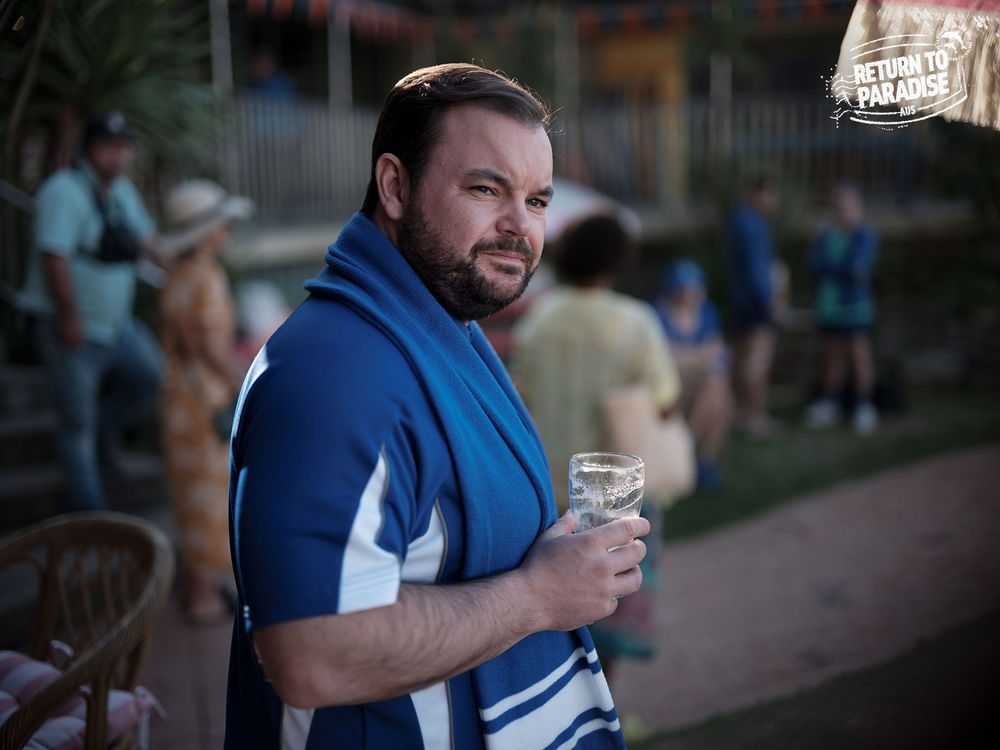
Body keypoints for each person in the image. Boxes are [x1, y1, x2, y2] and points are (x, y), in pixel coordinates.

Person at [225, 64, 649, 750]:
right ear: (395, 186)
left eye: (537, 200)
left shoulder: (442, 329)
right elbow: (310, 652)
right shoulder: (333, 372)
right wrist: (537, 597)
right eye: (486, 189)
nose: (520, 226)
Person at [509, 213, 680, 686]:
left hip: (548, 487)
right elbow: (664, 399)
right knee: (612, 604)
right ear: (619, 259)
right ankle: (606, 709)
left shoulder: (539, 318)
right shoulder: (635, 321)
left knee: (551, 609)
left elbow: (517, 398)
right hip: (617, 493)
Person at [17, 111, 163, 511]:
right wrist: (69, 316)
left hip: (115, 324)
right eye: (108, 147)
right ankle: (89, 510)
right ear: (88, 150)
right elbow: (54, 255)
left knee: (149, 376)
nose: (118, 155)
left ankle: (105, 435)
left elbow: (149, 241)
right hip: (71, 326)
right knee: (76, 420)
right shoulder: (62, 190)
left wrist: (189, 257)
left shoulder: (122, 192)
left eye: (124, 147)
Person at [158, 180, 253, 624]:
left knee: (189, 496)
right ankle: (202, 597)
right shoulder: (208, 276)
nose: (227, 230)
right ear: (205, 232)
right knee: (210, 497)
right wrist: (247, 382)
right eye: (221, 223)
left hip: (177, 398)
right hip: (205, 403)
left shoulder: (176, 273)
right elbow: (215, 351)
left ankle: (199, 587)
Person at [804, 182, 879, 434]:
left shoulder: (864, 235)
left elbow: (855, 269)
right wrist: (831, 266)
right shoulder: (826, 235)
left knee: (858, 354)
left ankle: (864, 405)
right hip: (830, 306)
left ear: (858, 208)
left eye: (848, 207)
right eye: (838, 207)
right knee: (832, 354)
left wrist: (829, 266)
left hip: (855, 307)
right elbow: (814, 266)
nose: (843, 212)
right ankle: (831, 402)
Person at [654, 259, 732, 490]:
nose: (692, 293)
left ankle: (697, 454)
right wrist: (697, 356)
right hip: (670, 382)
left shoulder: (706, 312)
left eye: (695, 288)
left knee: (719, 394)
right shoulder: (658, 313)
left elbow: (718, 352)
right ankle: (697, 458)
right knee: (716, 392)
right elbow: (662, 357)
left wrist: (688, 356)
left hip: (701, 380)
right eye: (686, 288)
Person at [726, 175, 780, 439]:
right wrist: (769, 301)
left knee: (741, 358)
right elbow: (757, 270)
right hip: (756, 303)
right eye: (770, 194)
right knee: (757, 361)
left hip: (739, 302)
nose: (773, 201)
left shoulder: (738, 220)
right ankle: (756, 418)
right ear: (757, 194)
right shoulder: (753, 225)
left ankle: (739, 413)